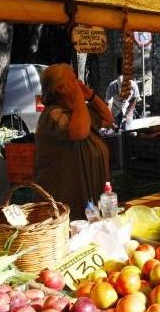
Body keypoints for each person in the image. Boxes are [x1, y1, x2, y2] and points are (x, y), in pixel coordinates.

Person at [35, 63, 114, 220]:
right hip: (67, 192)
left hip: (92, 188)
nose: (77, 83)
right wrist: (79, 97)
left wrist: (89, 95)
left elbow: (108, 118)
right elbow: (80, 132)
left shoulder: (78, 111)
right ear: (59, 89)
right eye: (73, 80)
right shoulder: (53, 113)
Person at [105, 60, 141, 131]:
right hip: (115, 108)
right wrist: (110, 119)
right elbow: (109, 105)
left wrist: (129, 113)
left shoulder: (134, 86)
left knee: (127, 129)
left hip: (126, 107)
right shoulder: (112, 87)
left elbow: (135, 98)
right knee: (114, 129)